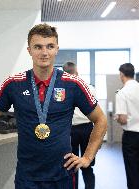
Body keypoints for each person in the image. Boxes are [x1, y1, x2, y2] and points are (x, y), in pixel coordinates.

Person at [0, 23, 107, 189]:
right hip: (27, 177)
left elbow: (100, 119)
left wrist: (87, 157)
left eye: (50, 46)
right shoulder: (13, 83)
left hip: (62, 175)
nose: (44, 52)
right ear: (29, 50)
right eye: (38, 47)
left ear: (57, 49)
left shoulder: (73, 84)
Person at [115, 63, 139, 189]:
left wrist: (117, 118)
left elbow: (123, 120)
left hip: (131, 138)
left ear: (121, 74)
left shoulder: (122, 93)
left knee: (132, 172)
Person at [63, 61, 96, 189]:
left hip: (69, 131)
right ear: (76, 72)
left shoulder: (61, 90)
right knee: (87, 164)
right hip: (87, 129)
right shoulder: (89, 88)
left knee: (72, 165)